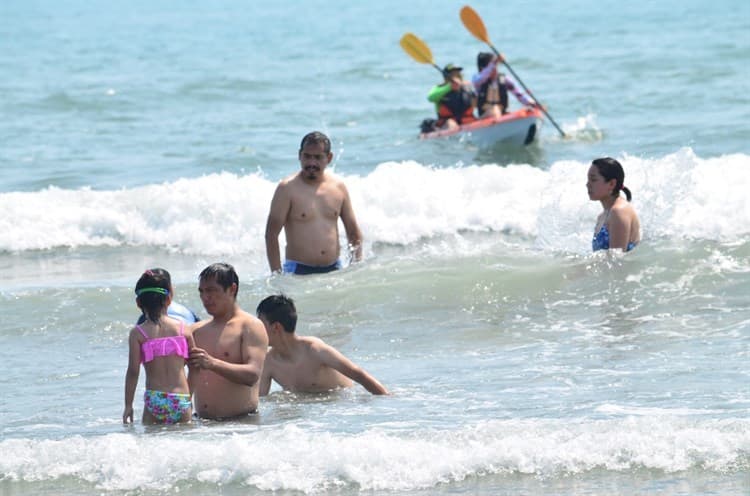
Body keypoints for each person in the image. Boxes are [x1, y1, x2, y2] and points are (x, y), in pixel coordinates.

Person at [265, 131, 363, 275]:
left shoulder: (338, 188)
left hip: (334, 268)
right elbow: (271, 234)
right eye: (307, 156)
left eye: (318, 157)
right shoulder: (287, 189)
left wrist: (356, 267)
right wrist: (277, 274)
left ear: (329, 158)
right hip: (298, 270)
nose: (311, 163)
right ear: (300, 155)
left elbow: (353, 233)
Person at [256, 294, 389, 396]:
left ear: (276, 327)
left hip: (342, 406)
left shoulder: (315, 350)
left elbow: (360, 375)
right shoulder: (268, 361)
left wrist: (387, 401)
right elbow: (260, 400)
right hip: (310, 423)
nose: (256, 329)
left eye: (260, 324)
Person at [188, 263, 268, 419]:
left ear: (232, 289)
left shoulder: (250, 326)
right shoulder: (196, 330)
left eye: (211, 290)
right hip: (201, 426)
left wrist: (212, 363)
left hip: (241, 426)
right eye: (202, 292)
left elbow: (252, 375)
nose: (205, 297)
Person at [123, 268, 196, 425]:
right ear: (169, 299)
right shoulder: (184, 329)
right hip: (181, 398)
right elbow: (195, 367)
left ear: (138, 303)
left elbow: (133, 372)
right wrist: (188, 398)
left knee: (151, 442)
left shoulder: (138, 333)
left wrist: (128, 405)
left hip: (154, 399)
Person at [587, 157, 641, 252]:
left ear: (611, 184)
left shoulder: (619, 211)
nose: (587, 184)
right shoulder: (602, 216)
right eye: (588, 180)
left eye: (593, 180)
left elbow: (617, 261)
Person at [471, 52, 535, 119]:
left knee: (529, 109)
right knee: (494, 110)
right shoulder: (477, 80)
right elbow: (482, 77)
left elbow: (519, 94)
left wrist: (531, 102)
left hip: (502, 114)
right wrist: (494, 62)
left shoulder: (505, 80)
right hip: (485, 116)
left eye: (496, 65)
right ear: (482, 69)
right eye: (492, 66)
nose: (495, 68)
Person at [427, 63, 477, 130]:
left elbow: (476, 105)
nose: (457, 76)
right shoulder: (439, 88)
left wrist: (472, 91)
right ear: (446, 78)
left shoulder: (467, 87)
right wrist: (450, 87)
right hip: (446, 122)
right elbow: (430, 98)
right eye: (454, 74)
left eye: (458, 74)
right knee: (451, 123)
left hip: (467, 120)